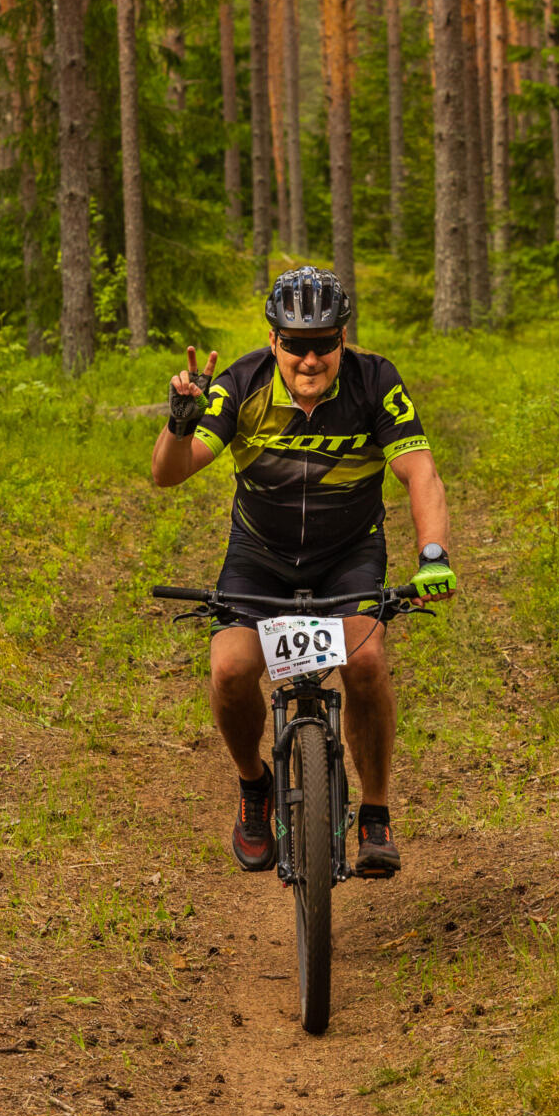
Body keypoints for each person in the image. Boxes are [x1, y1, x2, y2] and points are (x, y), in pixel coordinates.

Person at [150, 266, 455, 878]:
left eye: (323, 344)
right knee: (230, 670)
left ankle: (374, 812)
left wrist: (432, 556)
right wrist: (180, 422)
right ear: (273, 340)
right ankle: (254, 785)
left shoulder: (376, 382)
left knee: (365, 663)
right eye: (295, 343)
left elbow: (420, 471)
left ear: (343, 339)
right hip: (260, 554)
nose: (309, 359)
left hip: (349, 552)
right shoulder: (242, 383)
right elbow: (169, 472)